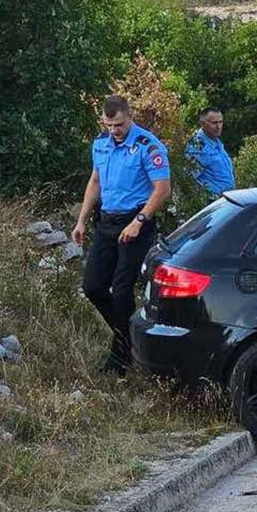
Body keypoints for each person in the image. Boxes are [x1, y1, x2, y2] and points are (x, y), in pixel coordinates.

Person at [72, 95, 171, 375]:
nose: (114, 131)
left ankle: (120, 354)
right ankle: (129, 337)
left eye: (118, 125)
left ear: (130, 116)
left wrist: (139, 221)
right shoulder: (101, 145)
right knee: (93, 286)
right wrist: (81, 220)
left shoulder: (147, 146)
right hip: (107, 222)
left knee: (122, 290)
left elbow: (162, 189)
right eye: (109, 125)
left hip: (136, 222)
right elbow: (95, 182)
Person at [184, 108, 234, 196]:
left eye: (220, 122)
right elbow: (188, 180)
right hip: (212, 201)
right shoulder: (197, 147)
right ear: (203, 124)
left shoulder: (216, 142)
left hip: (226, 198)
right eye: (214, 123)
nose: (218, 127)